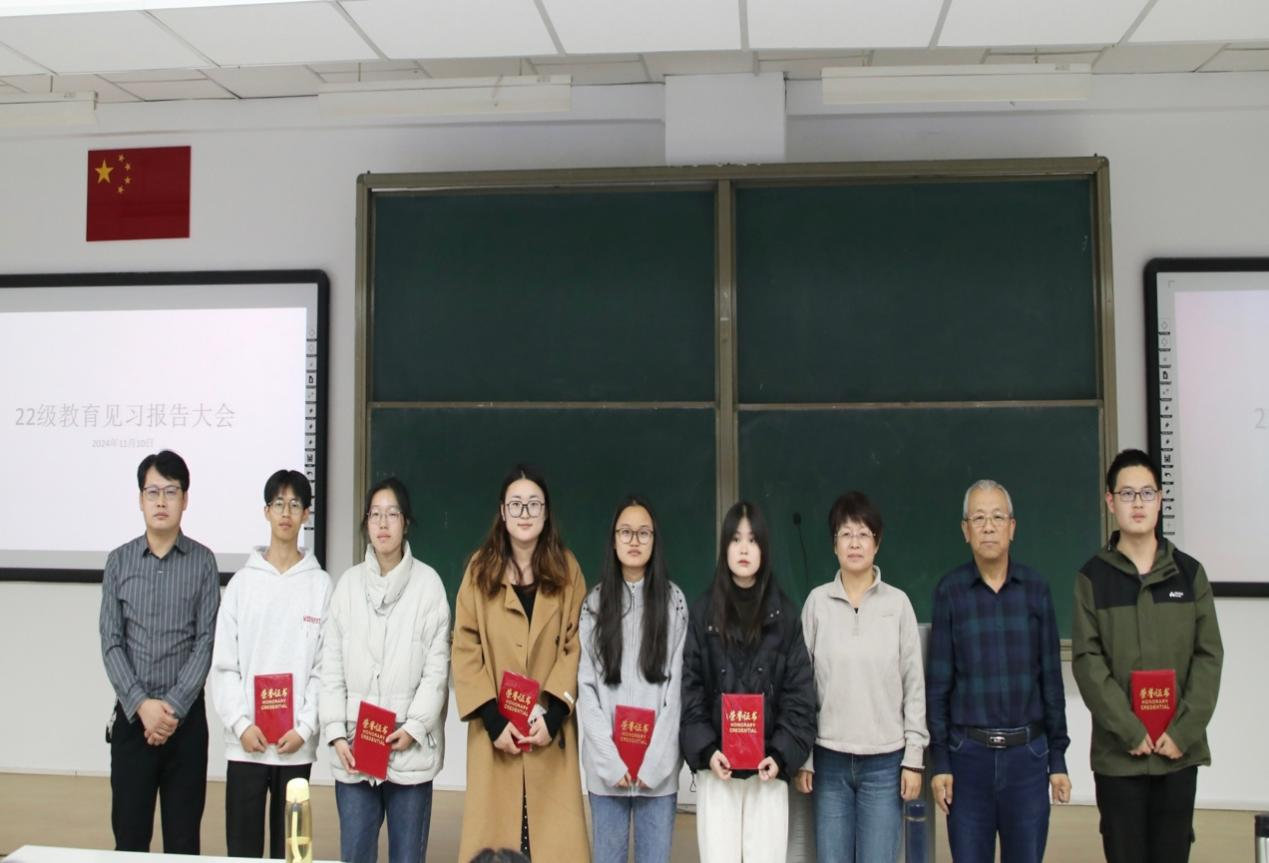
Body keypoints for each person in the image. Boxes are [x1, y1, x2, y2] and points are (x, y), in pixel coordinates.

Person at [1072, 449, 1223, 863]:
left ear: (1160, 499)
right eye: (1127, 494)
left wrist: (1182, 732)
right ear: (1110, 501)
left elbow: (1209, 657)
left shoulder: (1190, 575)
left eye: (1146, 493)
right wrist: (1130, 730)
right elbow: (1087, 661)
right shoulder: (1092, 578)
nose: (1137, 503)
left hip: (1178, 755)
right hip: (1119, 759)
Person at [925, 479, 1070, 863]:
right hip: (967, 759)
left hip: (1028, 758)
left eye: (997, 517)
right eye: (978, 518)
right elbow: (938, 686)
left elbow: (1051, 680)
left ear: (1012, 526)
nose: (988, 527)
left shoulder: (1036, 590)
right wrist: (941, 761)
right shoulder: (950, 592)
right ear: (965, 530)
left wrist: (1057, 758)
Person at [451, 464, 589, 861]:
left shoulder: (567, 569)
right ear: (502, 511)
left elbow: (576, 645)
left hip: (550, 733)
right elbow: (465, 646)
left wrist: (553, 716)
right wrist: (494, 721)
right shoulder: (480, 570)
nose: (525, 513)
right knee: (497, 844)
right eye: (516, 504)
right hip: (497, 734)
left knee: (554, 845)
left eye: (534, 504)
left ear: (546, 513)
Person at [319, 476, 450, 863]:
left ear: (405, 522)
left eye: (392, 514)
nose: (382, 523)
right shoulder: (347, 587)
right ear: (366, 522)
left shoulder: (429, 586)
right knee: (355, 855)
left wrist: (414, 728)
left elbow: (436, 671)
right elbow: (331, 669)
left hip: (409, 751)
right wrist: (335, 734)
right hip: (354, 750)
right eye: (375, 514)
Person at [680, 501, 816, 863]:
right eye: (736, 539)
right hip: (717, 772)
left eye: (753, 540)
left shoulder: (786, 616)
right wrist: (708, 752)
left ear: (764, 549)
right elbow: (690, 692)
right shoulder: (702, 612)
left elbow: (800, 698)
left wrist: (780, 755)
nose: (744, 548)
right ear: (724, 547)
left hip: (767, 774)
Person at [99, 449, 220, 853]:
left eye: (171, 491)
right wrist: (142, 705)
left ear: (185, 499)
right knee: (129, 840)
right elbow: (111, 641)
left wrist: (171, 708)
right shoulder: (119, 562)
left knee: (183, 844)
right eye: (153, 492)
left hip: (185, 727)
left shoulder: (203, 562)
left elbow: (206, 641)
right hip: (133, 723)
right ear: (140, 499)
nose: (162, 501)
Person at [795, 491, 927, 862]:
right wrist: (804, 757)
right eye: (845, 534)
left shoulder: (898, 605)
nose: (854, 543)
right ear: (834, 544)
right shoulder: (817, 603)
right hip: (829, 760)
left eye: (863, 534)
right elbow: (801, 688)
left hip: (885, 764)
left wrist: (913, 758)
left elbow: (914, 686)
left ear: (877, 542)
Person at [210, 469, 333, 858]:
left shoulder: (320, 585)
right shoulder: (242, 585)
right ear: (266, 511)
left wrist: (305, 728)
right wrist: (241, 725)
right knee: (243, 849)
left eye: (295, 504)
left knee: (291, 851)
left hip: (294, 745)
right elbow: (224, 666)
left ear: (306, 514)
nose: (286, 512)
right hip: (246, 745)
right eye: (278, 503)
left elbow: (324, 668)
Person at [578, 495, 689, 863]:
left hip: (657, 775)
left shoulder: (674, 602)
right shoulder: (594, 605)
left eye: (644, 532)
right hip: (607, 774)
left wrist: (655, 763)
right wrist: (611, 762)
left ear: (655, 540)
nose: (634, 540)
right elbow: (586, 689)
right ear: (613, 540)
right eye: (625, 532)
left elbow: (677, 690)